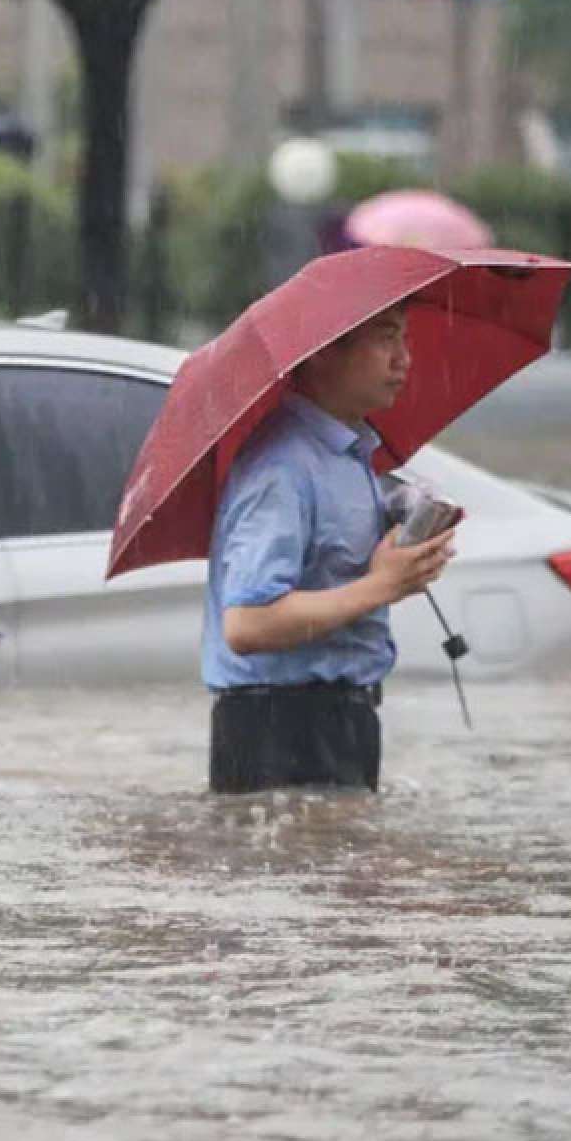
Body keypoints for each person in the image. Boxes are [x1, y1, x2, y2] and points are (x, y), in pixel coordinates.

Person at [203, 301, 457, 794]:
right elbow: (246, 624)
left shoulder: (350, 455)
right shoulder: (281, 468)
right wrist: (381, 586)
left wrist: (404, 526)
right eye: (386, 338)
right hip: (280, 727)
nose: (403, 359)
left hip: (341, 716)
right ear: (322, 353)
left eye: (404, 339)